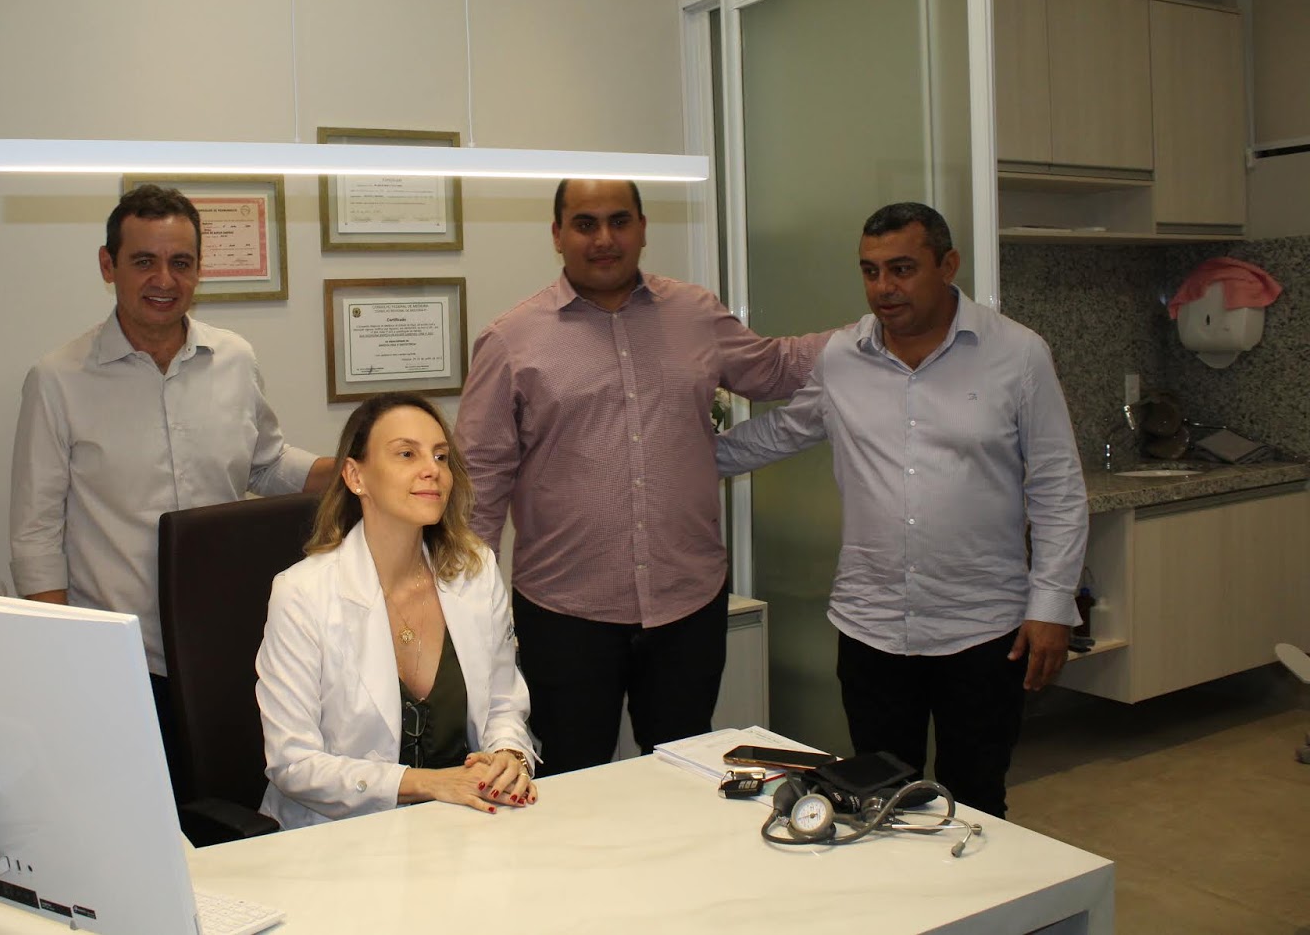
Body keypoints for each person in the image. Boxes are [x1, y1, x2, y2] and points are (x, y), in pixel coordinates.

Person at [716, 201, 1087, 817]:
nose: (883, 287)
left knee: (977, 799)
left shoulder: (1018, 354)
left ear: (948, 265)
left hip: (983, 628)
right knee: (880, 800)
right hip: (873, 627)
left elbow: (1058, 485)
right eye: (870, 271)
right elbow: (781, 433)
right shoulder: (842, 357)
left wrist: (1051, 605)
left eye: (902, 269)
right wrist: (674, 462)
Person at [454, 178, 830, 775]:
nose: (604, 238)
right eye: (585, 224)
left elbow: (773, 368)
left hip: (688, 604)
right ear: (557, 234)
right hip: (565, 613)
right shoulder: (511, 339)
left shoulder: (696, 314)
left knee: (685, 771)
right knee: (571, 778)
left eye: (619, 221)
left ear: (643, 228)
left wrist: (873, 339)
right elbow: (481, 477)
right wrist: (465, 602)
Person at [9, 184, 334, 761]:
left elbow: (266, 463)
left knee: (233, 805)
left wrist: (357, 469)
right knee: (133, 812)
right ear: (108, 265)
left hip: (230, 649)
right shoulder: (58, 380)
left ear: (199, 270)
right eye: (144, 261)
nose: (164, 280)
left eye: (180, 263)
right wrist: (61, 661)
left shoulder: (234, 359)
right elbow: (35, 534)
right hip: (119, 664)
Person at [256, 393, 537, 829]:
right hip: (339, 839)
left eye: (440, 456)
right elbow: (293, 763)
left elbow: (504, 704)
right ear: (356, 477)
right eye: (407, 454)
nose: (432, 469)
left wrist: (508, 755)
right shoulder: (302, 594)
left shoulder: (475, 571)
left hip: (463, 823)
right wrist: (428, 783)